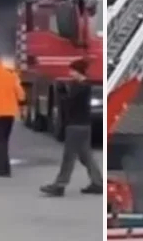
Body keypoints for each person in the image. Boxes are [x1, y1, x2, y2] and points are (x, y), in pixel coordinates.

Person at [41, 58, 104, 197]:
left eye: (72, 71)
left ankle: (59, 185)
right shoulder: (86, 85)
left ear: (78, 71)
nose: (70, 73)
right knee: (86, 156)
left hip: (75, 126)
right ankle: (98, 182)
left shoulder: (79, 87)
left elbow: (69, 104)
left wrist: (62, 93)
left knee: (68, 157)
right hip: (85, 125)